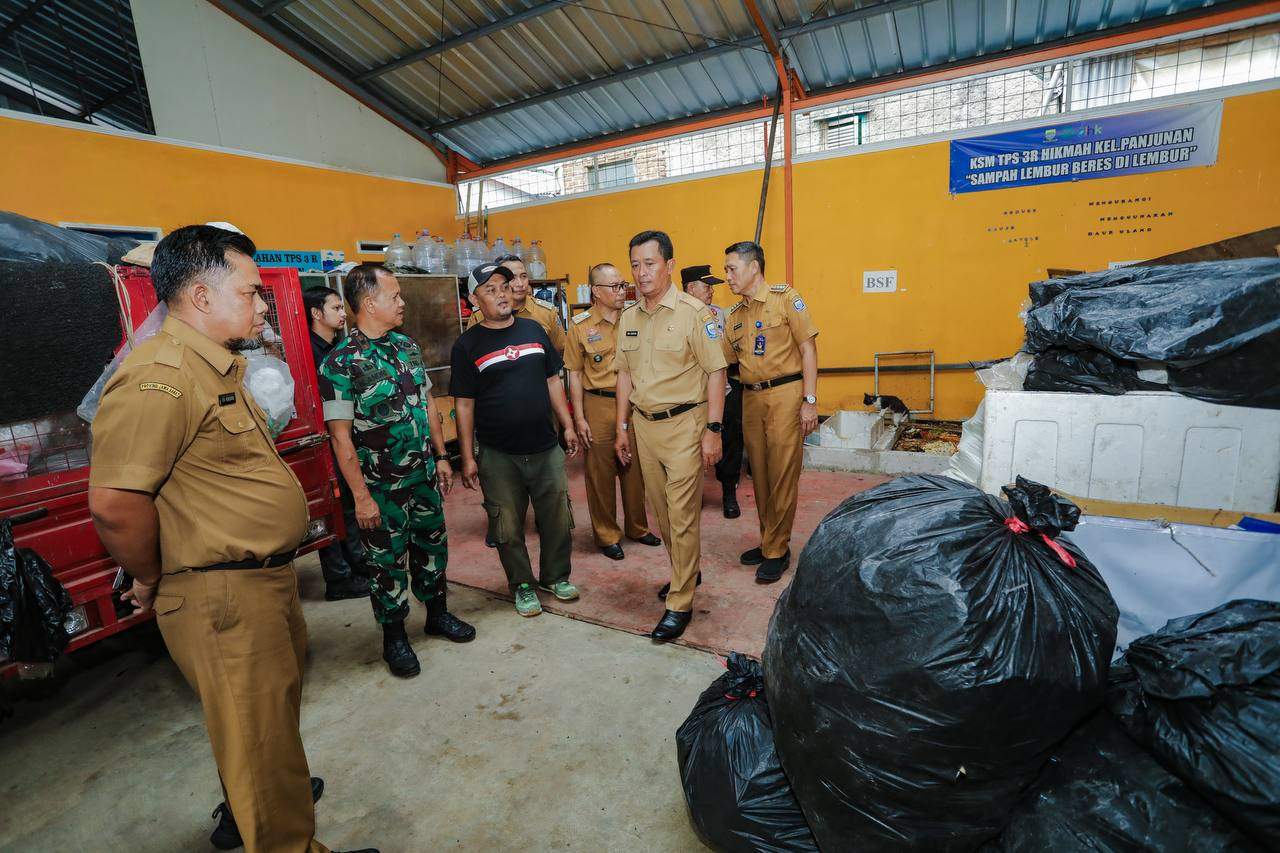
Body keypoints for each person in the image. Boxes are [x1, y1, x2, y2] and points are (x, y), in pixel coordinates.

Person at [87, 225, 376, 853]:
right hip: (222, 596)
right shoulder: (158, 376)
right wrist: (150, 574)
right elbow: (115, 502)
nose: (263, 304)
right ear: (199, 295)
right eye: (251, 292)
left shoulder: (211, 365)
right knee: (257, 743)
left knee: (267, 738)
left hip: (257, 584)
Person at [319, 264, 474, 680]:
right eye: (395, 296)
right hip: (380, 488)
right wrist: (362, 498)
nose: (402, 302)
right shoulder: (340, 363)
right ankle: (394, 637)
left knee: (432, 550)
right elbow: (340, 438)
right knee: (386, 565)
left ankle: (437, 615)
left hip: (422, 475)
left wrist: (442, 457)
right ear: (369, 303)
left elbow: (426, 406)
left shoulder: (406, 347)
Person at [614, 231, 728, 641]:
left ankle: (680, 600)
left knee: (681, 516)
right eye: (635, 265)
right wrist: (622, 427)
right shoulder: (629, 318)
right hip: (644, 426)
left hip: (685, 425)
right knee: (662, 512)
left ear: (669, 266)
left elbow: (717, 371)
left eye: (649, 264)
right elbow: (624, 374)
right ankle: (686, 571)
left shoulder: (695, 313)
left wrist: (713, 429)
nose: (641, 273)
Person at [451, 263, 581, 617]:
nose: (501, 294)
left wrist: (567, 425)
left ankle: (555, 576)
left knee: (556, 517)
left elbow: (554, 381)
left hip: (544, 446)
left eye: (504, 287)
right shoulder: (467, 345)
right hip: (498, 454)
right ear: (474, 300)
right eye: (490, 290)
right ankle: (522, 584)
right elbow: (464, 404)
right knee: (506, 525)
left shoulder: (534, 331)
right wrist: (468, 456)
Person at [723, 241, 820, 583]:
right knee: (760, 475)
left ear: (754, 268)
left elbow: (808, 348)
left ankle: (777, 549)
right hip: (751, 398)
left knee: (782, 474)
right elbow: (722, 362)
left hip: (786, 394)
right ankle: (770, 542)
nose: (728, 276)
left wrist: (810, 399)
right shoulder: (734, 316)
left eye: (732, 268)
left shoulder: (785, 299)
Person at [565, 262, 661, 560]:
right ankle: (607, 534)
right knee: (600, 473)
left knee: (635, 470)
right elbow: (575, 374)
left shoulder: (636, 319)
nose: (623, 291)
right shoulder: (580, 326)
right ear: (595, 291)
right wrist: (578, 418)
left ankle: (637, 527)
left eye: (624, 285)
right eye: (616, 287)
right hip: (598, 403)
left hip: (635, 405)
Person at [303, 285, 370, 602]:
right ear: (317, 313)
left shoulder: (337, 347)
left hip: (343, 435)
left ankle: (358, 566)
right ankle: (339, 579)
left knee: (347, 506)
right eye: (335, 308)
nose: (343, 314)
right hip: (322, 440)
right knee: (332, 508)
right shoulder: (309, 353)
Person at [681, 264, 744, 519]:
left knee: (729, 443)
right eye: (707, 287)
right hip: (690, 397)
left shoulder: (720, 315)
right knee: (689, 449)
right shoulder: (677, 316)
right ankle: (693, 496)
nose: (711, 292)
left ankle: (729, 493)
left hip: (723, 391)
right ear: (690, 288)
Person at [465, 253, 565, 355]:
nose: (520, 284)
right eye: (512, 278)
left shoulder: (546, 313)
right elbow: (471, 354)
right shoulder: (479, 315)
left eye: (524, 276)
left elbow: (558, 351)